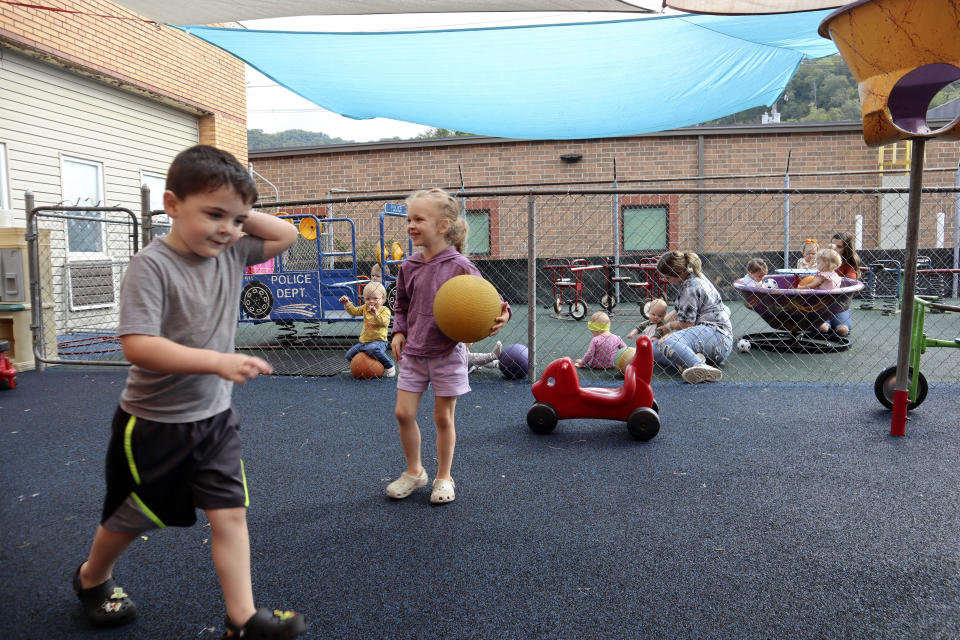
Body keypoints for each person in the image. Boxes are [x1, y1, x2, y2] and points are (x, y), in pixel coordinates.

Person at [71, 146, 306, 638]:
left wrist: (236, 208)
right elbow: (139, 346)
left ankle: (242, 619)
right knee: (134, 518)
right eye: (212, 214)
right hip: (155, 424)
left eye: (237, 220)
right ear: (172, 203)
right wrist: (217, 361)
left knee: (230, 515)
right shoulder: (151, 266)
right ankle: (92, 577)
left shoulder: (233, 250)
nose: (225, 229)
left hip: (215, 420)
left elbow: (287, 233)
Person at [388, 188, 510, 505]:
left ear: (442, 226)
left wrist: (504, 314)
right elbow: (400, 306)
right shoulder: (409, 267)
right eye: (409, 219)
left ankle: (444, 477)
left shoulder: (461, 267)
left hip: (447, 354)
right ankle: (414, 472)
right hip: (414, 352)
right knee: (403, 413)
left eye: (419, 219)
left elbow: (491, 302)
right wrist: (398, 332)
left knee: (443, 417)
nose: (411, 225)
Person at [653, 251, 733, 384]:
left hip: (717, 335)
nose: (666, 281)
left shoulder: (689, 287)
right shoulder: (695, 277)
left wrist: (668, 327)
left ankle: (699, 366)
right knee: (653, 348)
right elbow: (678, 312)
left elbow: (687, 325)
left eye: (667, 277)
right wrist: (658, 324)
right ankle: (691, 361)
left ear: (677, 274)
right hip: (712, 341)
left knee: (668, 343)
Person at [339, 280, 395, 377]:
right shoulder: (365, 308)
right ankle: (358, 367)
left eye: (375, 298)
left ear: (383, 299)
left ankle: (389, 365)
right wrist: (347, 304)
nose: (371, 301)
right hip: (364, 342)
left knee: (372, 349)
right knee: (349, 355)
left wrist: (376, 314)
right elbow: (355, 312)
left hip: (379, 341)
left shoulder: (385, 310)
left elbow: (384, 323)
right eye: (368, 299)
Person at [824, 231, 862, 336]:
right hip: (821, 302)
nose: (834, 249)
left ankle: (837, 320)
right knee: (820, 327)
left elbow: (848, 284)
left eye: (839, 246)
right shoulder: (824, 260)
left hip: (839, 303)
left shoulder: (849, 265)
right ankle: (824, 323)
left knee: (843, 329)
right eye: (832, 245)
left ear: (846, 249)